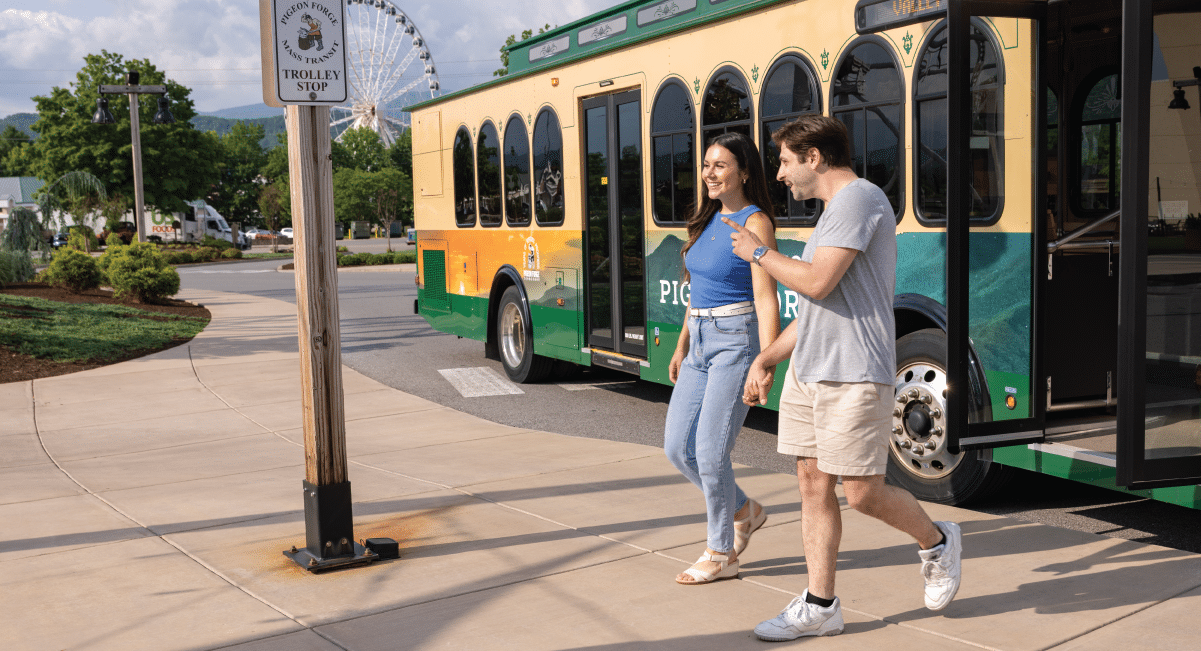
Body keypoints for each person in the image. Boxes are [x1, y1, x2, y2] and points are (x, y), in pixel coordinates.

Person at [722, 115, 962, 640]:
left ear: (814, 157)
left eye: (786, 161)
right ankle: (820, 604)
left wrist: (758, 252)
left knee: (862, 493)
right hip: (811, 371)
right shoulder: (833, 213)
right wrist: (767, 359)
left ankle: (938, 541)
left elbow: (817, 282)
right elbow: (815, 310)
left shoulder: (859, 199)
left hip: (853, 373)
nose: (780, 174)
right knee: (812, 484)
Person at [664, 131, 780, 585]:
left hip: (735, 341)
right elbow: (696, 293)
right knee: (679, 448)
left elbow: (765, 297)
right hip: (699, 339)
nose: (709, 174)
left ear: (744, 172)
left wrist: (766, 361)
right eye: (706, 165)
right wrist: (681, 345)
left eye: (720, 165)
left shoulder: (756, 223)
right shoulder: (705, 219)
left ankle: (721, 551)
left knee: (711, 453)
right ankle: (743, 509)